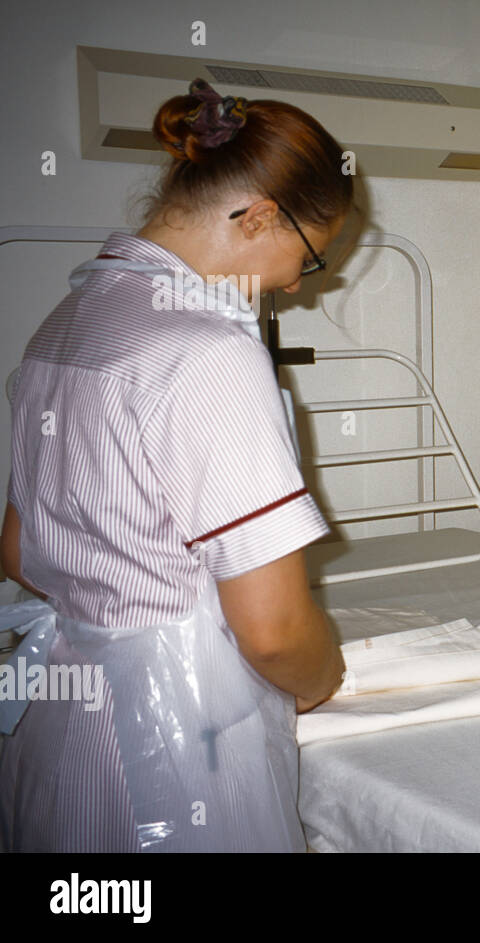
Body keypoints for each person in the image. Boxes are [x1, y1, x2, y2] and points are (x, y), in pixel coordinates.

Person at [0, 79, 351, 851]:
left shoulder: (60, 329)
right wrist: (327, 677)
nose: (296, 283)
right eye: (309, 256)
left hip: (59, 729)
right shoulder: (210, 353)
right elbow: (273, 629)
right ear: (260, 216)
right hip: (178, 746)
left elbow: (19, 553)